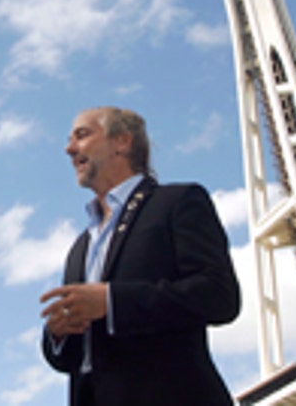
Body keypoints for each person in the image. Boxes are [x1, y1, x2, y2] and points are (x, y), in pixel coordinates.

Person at [39, 106, 240, 406]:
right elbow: (72, 361)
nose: (69, 149)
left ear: (122, 141)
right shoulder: (79, 248)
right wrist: (58, 334)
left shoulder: (177, 202)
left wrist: (111, 301)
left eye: (82, 135)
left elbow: (219, 295)